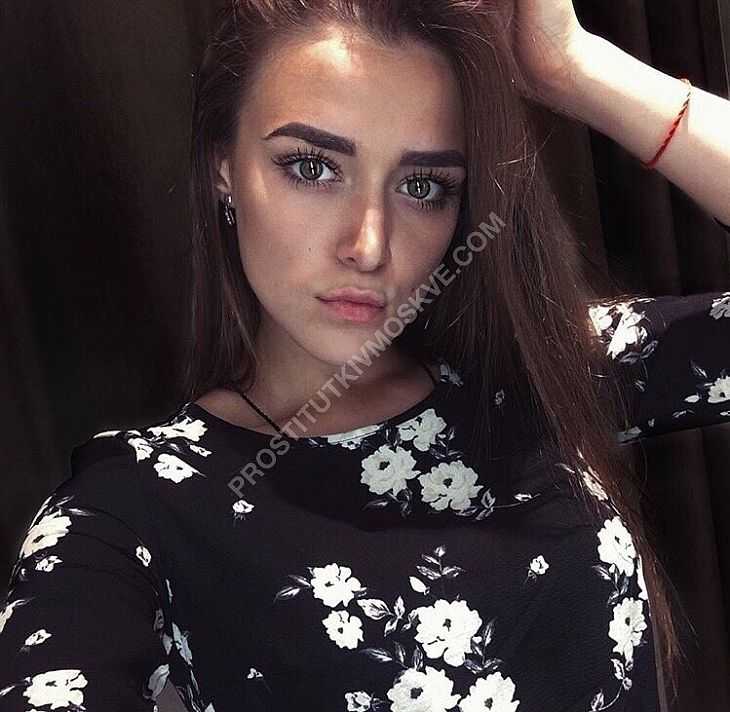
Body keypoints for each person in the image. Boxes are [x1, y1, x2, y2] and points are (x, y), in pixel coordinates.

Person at [1, 1, 729, 710]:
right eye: (312, 167)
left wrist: (576, 68)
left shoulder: (537, 371)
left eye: (422, 186)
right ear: (224, 167)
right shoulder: (135, 509)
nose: (370, 245)